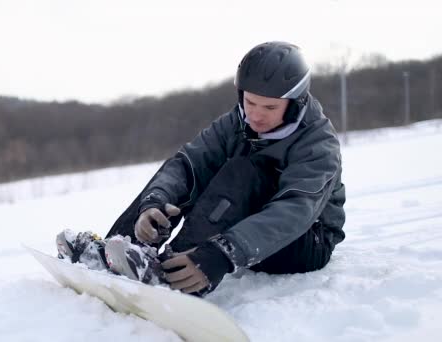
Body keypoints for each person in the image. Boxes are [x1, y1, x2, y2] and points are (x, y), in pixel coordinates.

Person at [56, 41, 346, 296]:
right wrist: (153, 203)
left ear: (295, 104)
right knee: (188, 171)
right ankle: (122, 250)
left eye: (269, 108)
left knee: (245, 171)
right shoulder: (236, 122)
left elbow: (295, 210)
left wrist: (221, 254)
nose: (255, 115)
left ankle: (169, 270)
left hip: (306, 240)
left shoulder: (317, 142)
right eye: (250, 102)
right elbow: (189, 164)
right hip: (249, 226)